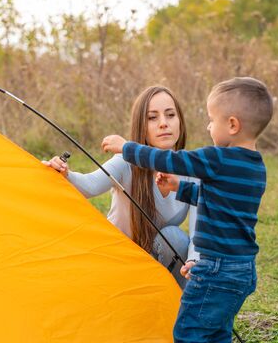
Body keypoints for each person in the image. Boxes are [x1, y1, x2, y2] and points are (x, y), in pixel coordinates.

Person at [101, 77, 273, 343]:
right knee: (219, 333)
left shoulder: (218, 158)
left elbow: (171, 159)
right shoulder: (255, 167)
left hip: (214, 268)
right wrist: (180, 189)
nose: (208, 126)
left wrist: (126, 147)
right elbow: (219, 203)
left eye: (211, 120)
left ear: (232, 125)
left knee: (189, 332)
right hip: (242, 270)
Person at [43, 86, 200, 287]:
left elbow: (198, 231)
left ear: (180, 122)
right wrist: (65, 173)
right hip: (118, 260)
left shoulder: (192, 172)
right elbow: (88, 186)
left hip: (158, 262)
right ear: (140, 126)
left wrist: (194, 260)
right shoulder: (126, 162)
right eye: (152, 117)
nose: (163, 123)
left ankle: (182, 310)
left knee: (175, 237)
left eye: (170, 115)